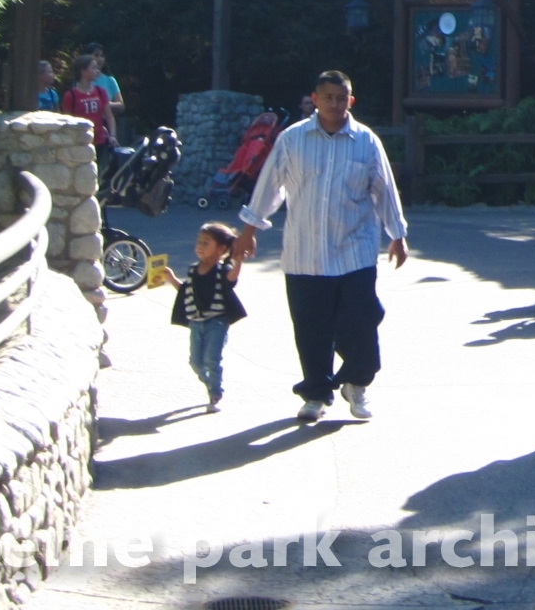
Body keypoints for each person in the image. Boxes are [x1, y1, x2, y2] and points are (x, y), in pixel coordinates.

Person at [234, 70, 409, 425]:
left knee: (362, 320)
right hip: (305, 253)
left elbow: (384, 188)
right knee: (311, 328)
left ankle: (357, 383)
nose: (334, 104)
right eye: (328, 97)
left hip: (354, 249)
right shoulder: (292, 139)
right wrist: (248, 231)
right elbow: (269, 185)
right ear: (315, 99)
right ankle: (316, 394)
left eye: (341, 98)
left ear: (351, 101)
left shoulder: (366, 141)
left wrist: (397, 234)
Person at [160, 222, 246, 411]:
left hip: (217, 321)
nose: (200, 246)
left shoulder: (222, 270)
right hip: (196, 322)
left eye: (206, 243)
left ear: (221, 249)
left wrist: (239, 262)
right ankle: (209, 382)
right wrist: (171, 277)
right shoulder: (193, 269)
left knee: (211, 359)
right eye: (199, 241)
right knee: (195, 362)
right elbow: (185, 290)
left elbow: (231, 279)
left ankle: (215, 393)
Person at [60, 56, 116, 169]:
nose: (97, 71)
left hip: (99, 140)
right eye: (93, 68)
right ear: (83, 71)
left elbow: (109, 116)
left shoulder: (100, 92)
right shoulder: (71, 95)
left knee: (98, 172)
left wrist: (112, 135)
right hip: (80, 142)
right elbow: (67, 122)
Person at [81, 43, 127, 141]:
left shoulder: (110, 80)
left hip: (105, 125)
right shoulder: (79, 82)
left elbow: (121, 105)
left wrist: (104, 104)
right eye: (96, 55)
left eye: (102, 56)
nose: (100, 59)